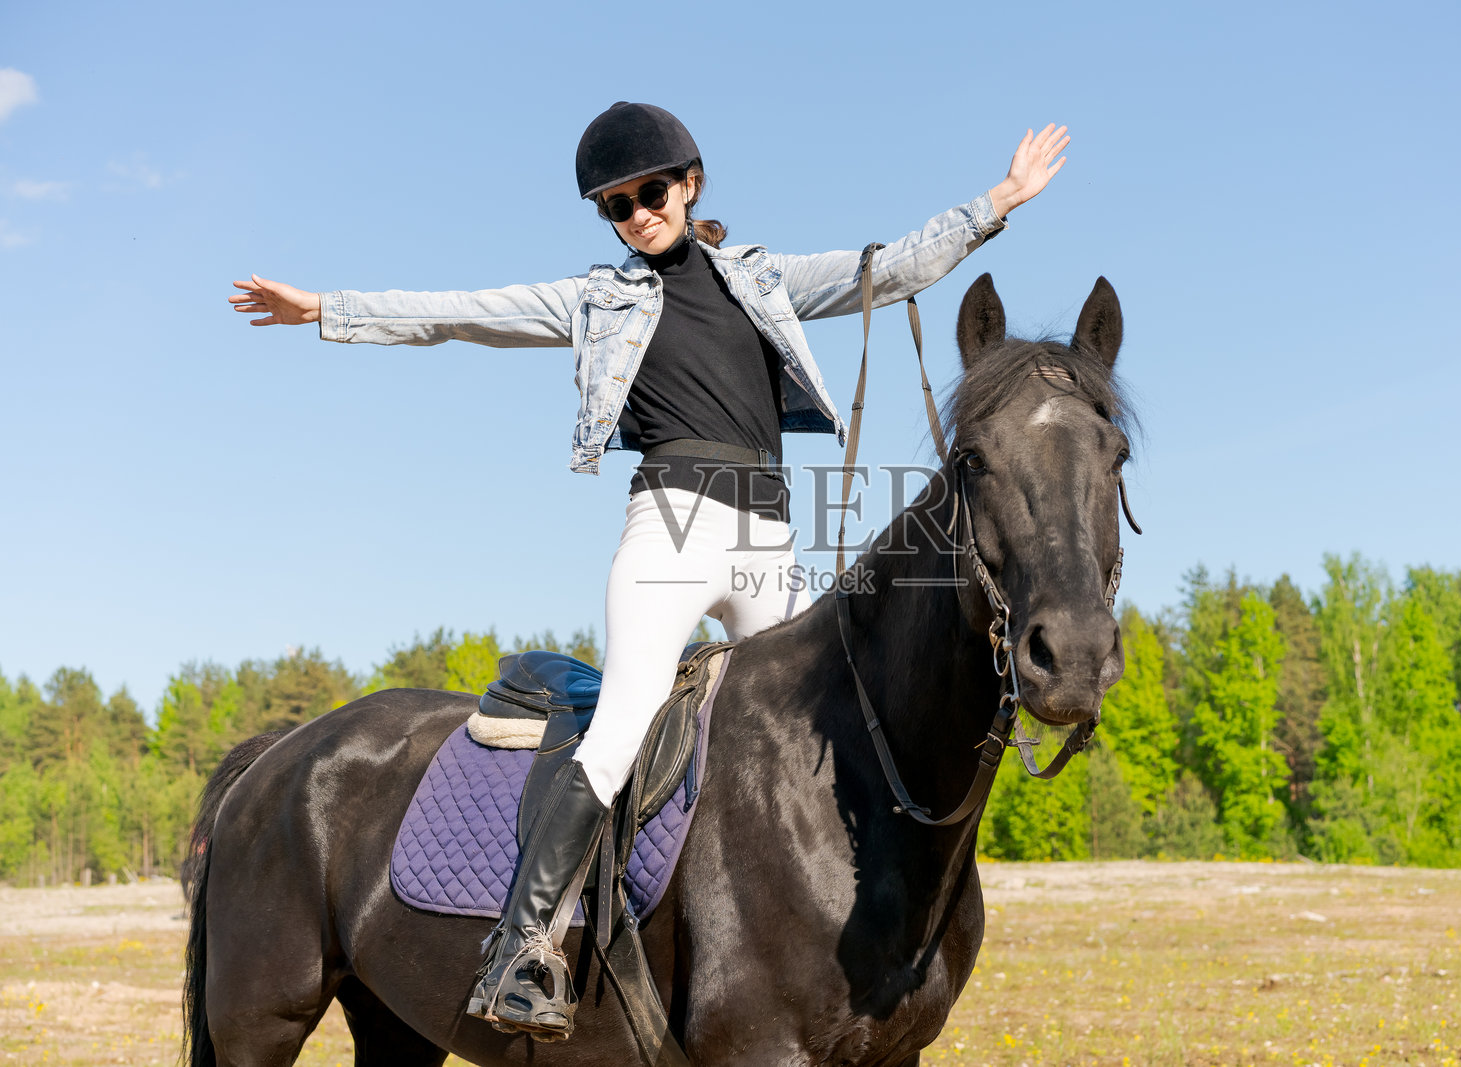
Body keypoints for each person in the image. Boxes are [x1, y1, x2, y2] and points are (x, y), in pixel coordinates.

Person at [228, 101, 1071, 1040]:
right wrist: (324, 311)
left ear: (691, 183)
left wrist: (998, 200)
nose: (637, 213)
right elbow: (461, 314)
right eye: (615, 205)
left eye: (651, 191)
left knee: (823, 724)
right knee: (624, 721)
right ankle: (526, 945)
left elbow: (894, 266)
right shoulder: (599, 299)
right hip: (670, 528)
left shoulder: (766, 281)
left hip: (765, 541)